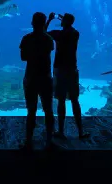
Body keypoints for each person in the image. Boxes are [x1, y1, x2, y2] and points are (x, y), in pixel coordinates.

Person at [45, 12, 90, 140]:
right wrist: (63, 19)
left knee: (61, 100)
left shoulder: (58, 34)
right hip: (72, 69)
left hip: (60, 70)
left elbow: (43, 33)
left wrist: (49, 19)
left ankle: (60, 131)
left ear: (64, 22)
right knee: (75, 100)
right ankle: (80, 131)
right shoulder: (75, 34)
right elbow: (69, 28)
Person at [19, 12, 56, 150]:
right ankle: (49, 141)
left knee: (31, 111)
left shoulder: (26, 38)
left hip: (31, 78)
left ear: (32, 23)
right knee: (48, 111)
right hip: (45, 78)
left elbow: (23, 58)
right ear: (43, 22)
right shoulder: (48, 39)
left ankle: (28, 141)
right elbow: (44, 37)